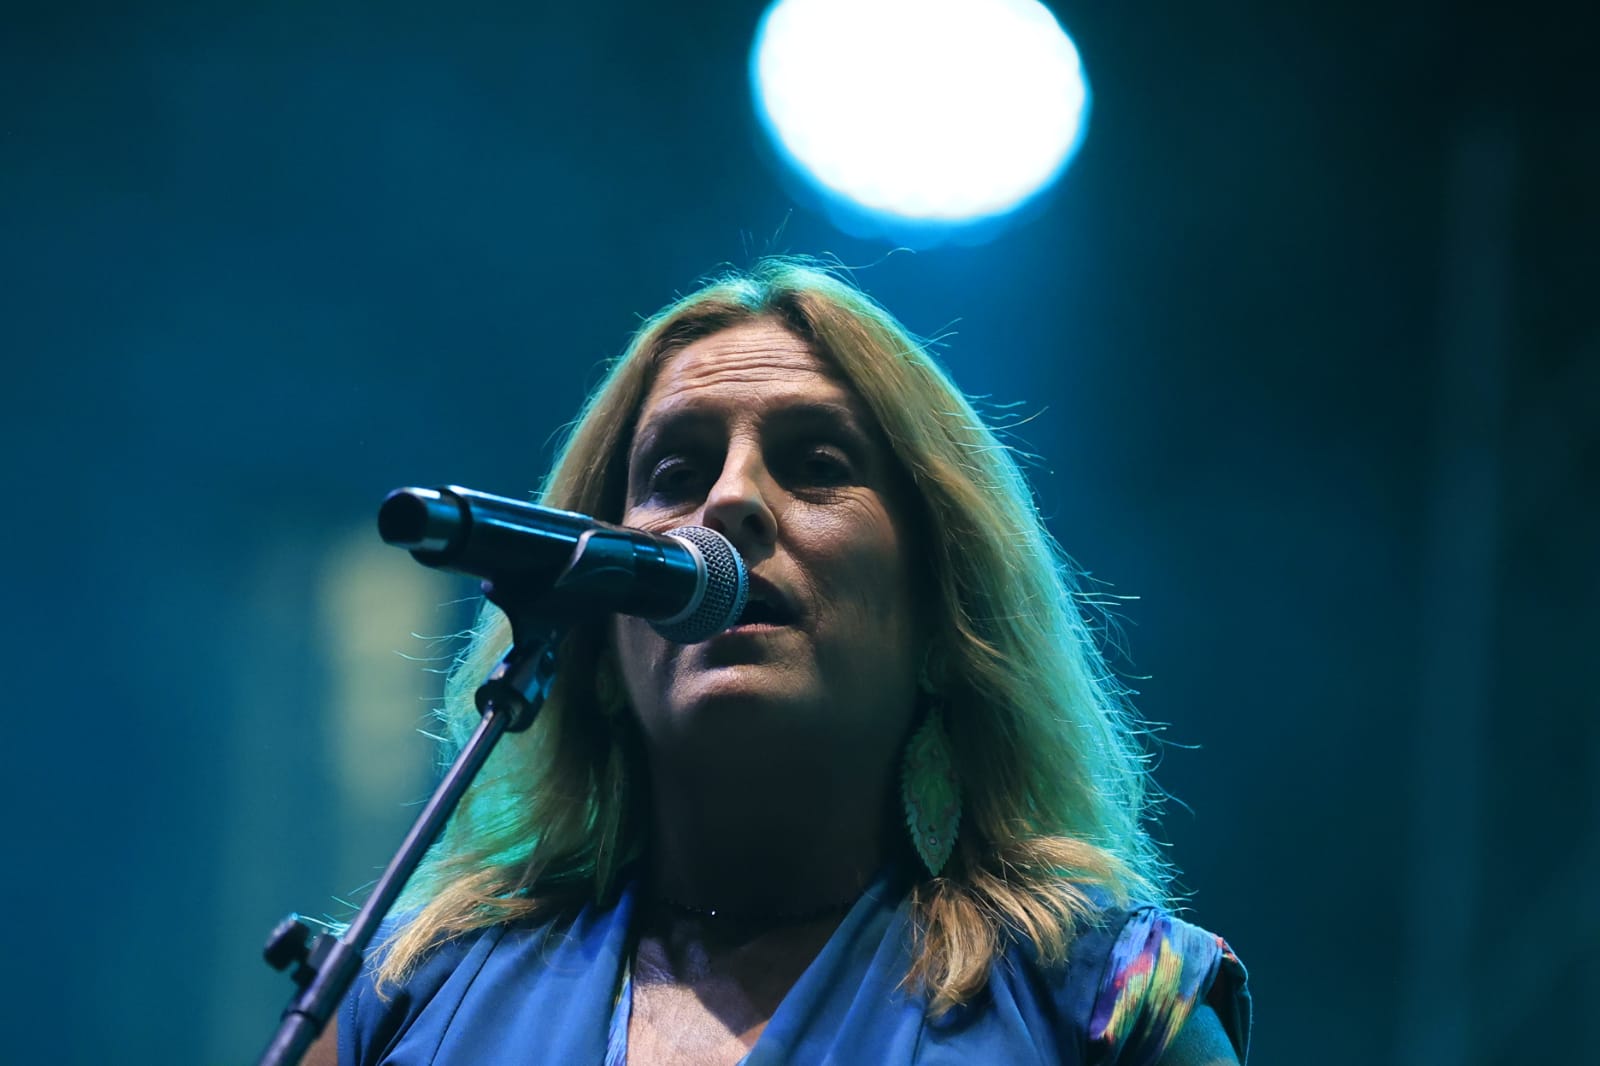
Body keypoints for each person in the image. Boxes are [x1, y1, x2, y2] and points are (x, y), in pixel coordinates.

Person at [307, 258, 1250, 1065]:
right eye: (674, 474)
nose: (731, 501)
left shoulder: (1104, 1008)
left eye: (817, 464)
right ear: (594, 646)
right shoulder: (398, 1002)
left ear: (942, 622)